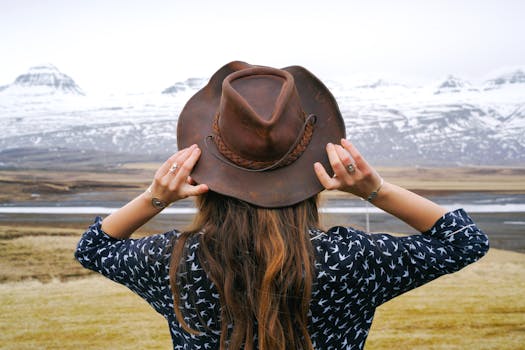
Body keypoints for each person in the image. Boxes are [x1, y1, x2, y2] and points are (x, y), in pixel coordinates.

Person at [75, 61, 489, 350]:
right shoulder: (351, 260)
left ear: (206, 175)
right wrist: (374, 189)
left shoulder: (174, 260)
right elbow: (464, 241)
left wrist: (157, 197)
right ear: (311, 175)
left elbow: (92, 248)